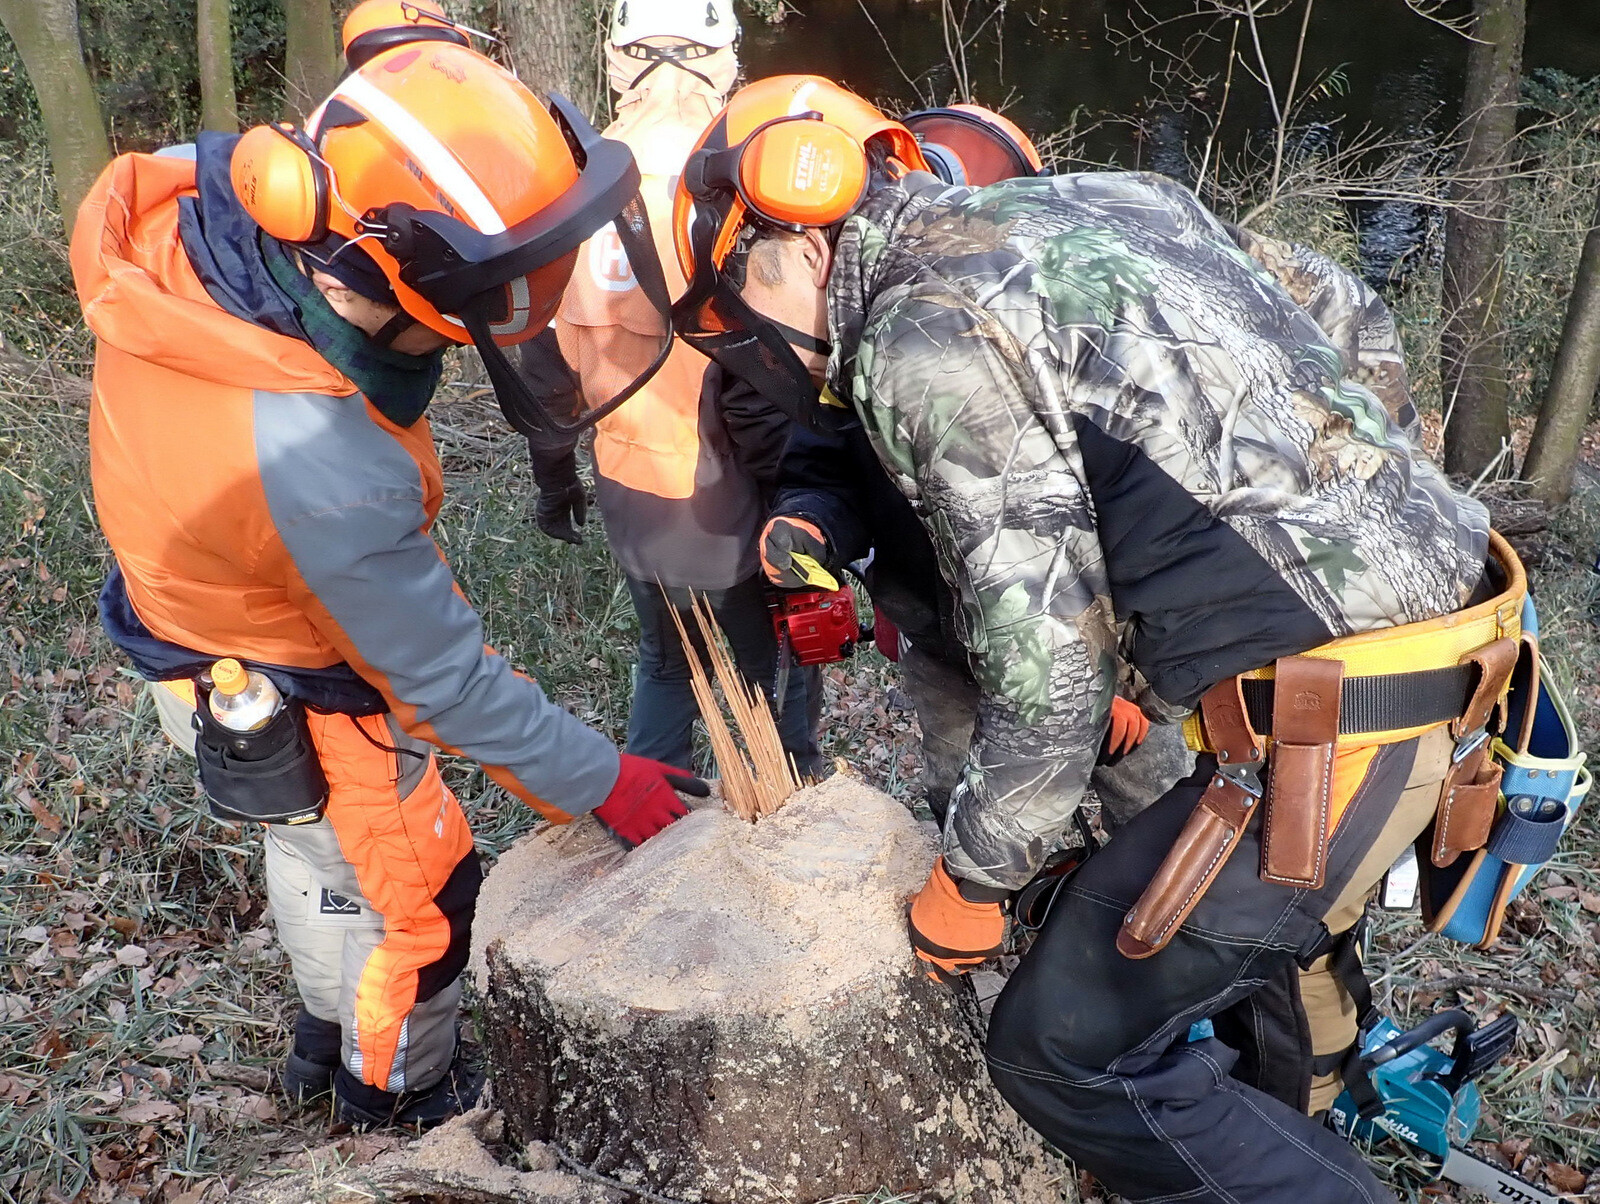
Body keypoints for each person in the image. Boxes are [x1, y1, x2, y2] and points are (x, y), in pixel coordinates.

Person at [669, 75, 1521, 1203]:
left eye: (739, 291)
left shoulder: (922, 331)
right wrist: (1375, 502)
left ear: (796, 242)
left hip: (1343, 715)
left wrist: (974, 878)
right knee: (1216, 960)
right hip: (1461, 632)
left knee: (1055, 1051)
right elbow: (1343, 303)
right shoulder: (1114, 199)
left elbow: (1048, 676)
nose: (756, 333)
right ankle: (1272, 1137)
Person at [71, 3, 701, 1131]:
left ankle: (327, 1035)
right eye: (475, 306)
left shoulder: (200, 216)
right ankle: (396, 1091)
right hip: (302, 676)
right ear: (388, 271)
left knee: (320, 853)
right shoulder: (326, 467)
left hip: (196, 621)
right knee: (423, 899)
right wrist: (606, 779)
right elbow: (447, 686)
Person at [769, 101, 1195, 833]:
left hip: (1096, 647)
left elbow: (1143, 519)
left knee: (1156, 816)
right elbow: (822, 461)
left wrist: (1130, 679)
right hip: (945, 639)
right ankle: (1003, 896)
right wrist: (808, 522)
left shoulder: (1067, 349)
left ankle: (1144, 899)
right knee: (964, 797)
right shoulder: (867, 343)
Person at [518, 0, 823, 778]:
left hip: (632, 494)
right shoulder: (743, 184)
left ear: (620, 60)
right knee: (770, 678)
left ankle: (653, 821)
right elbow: (761, 384)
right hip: (731, 501)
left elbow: (545, 376)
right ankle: (782, 806)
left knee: (665, 665)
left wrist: (555, 482)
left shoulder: (564, 183)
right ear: (722, 58)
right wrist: (805, 499)